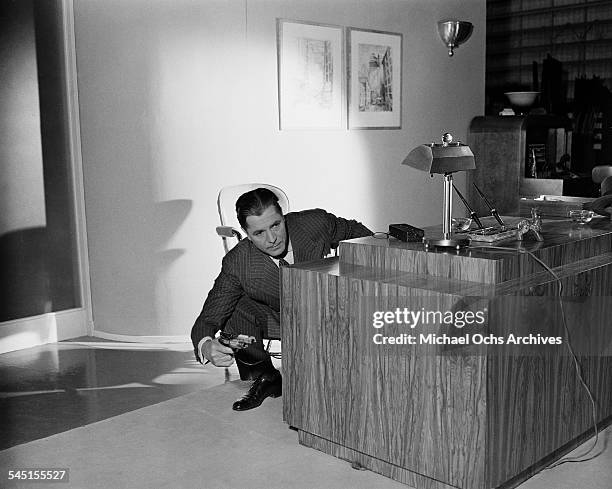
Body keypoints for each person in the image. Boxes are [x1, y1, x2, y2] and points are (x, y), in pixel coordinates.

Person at [191, 188, 372, 411]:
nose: (272, 239)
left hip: (332, 308)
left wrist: (347, 277)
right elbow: (209, 317)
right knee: (235, 306)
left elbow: (363, 236)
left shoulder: (314, 223)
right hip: (282, 317)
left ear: (283, 216)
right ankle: (266, 377)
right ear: (246, 233)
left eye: (275, 225)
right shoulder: (238, 262)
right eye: (259, 233)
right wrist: (207, 346)